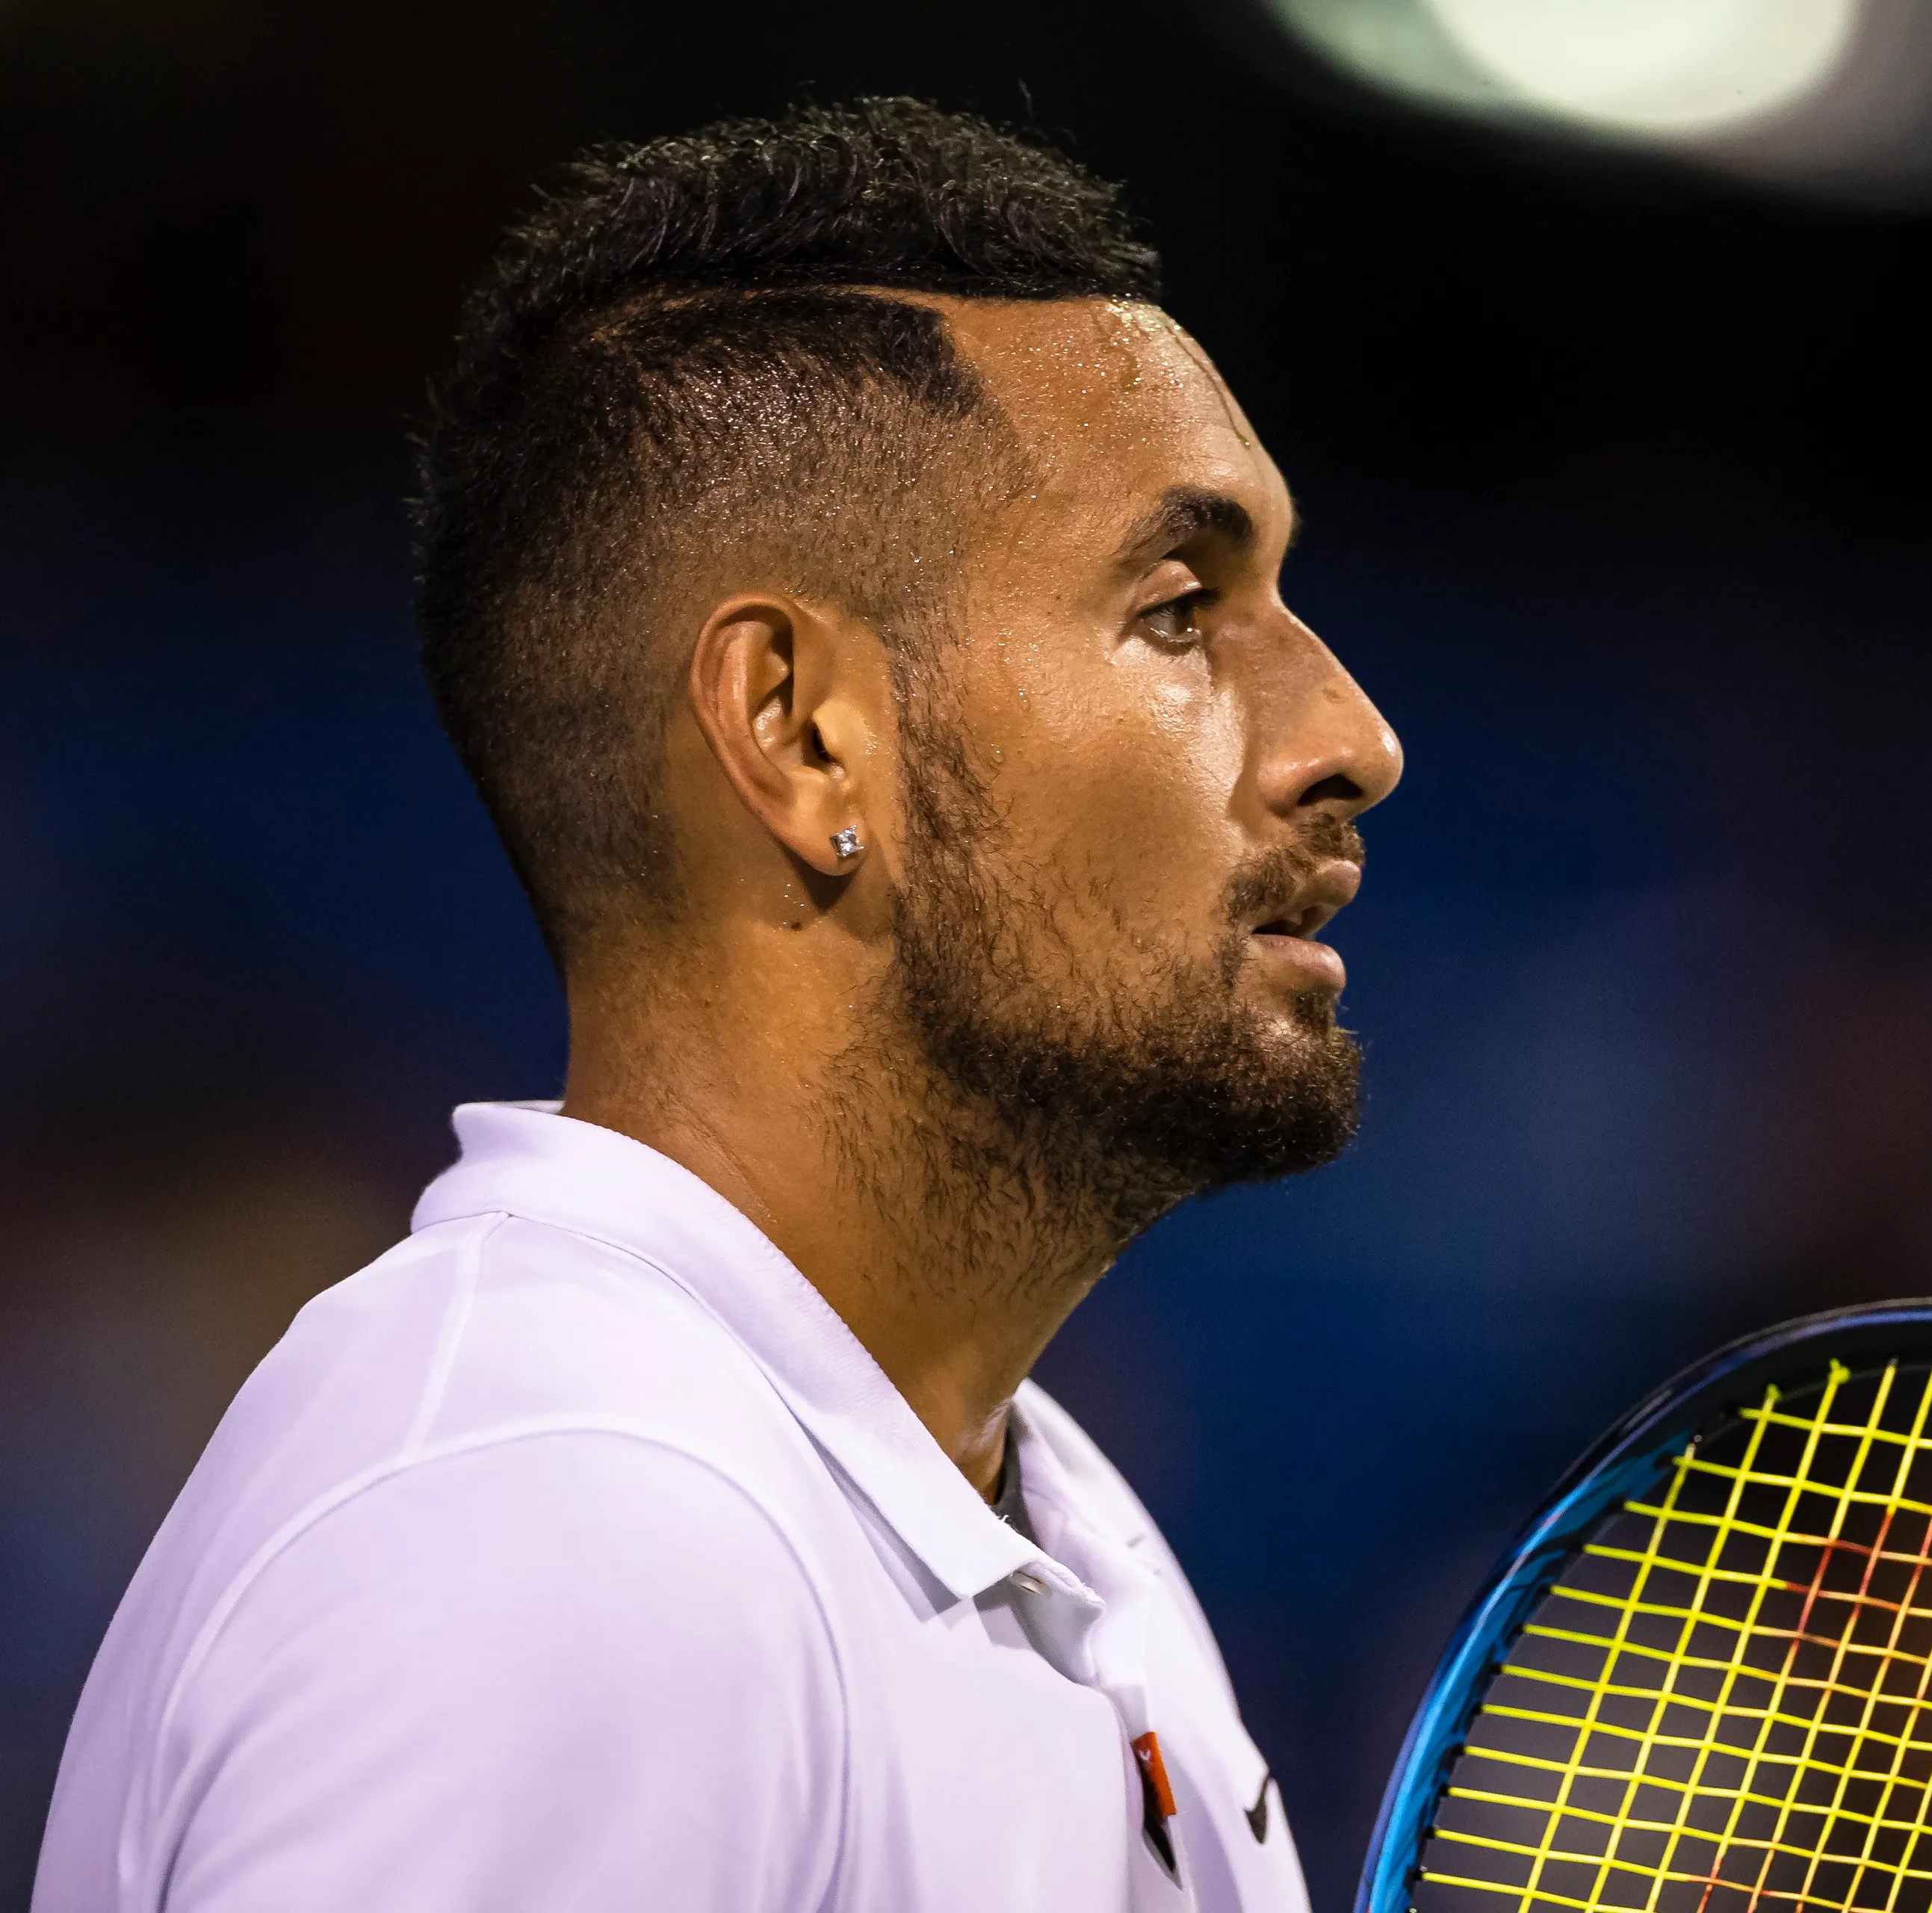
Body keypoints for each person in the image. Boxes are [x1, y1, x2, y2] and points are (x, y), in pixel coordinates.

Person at [35, 97, 1399, 1913]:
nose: (1351, 739)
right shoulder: (569, 1526)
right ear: (800, 728)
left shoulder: (1059, 1539)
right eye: (1177, 607)